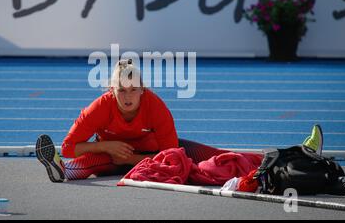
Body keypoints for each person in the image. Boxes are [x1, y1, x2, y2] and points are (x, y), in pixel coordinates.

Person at [36, 58, 261, 182]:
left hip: (152, 154)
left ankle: (265, 161)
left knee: (214, 157)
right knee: (91, 162)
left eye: (133, 90)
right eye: (121, 91)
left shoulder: (155, 105)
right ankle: (62, 171)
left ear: (143, 89)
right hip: (109, 156)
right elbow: (67, 147)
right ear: (111, 90)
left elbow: (172, 156)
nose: (127, 97)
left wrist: (133, 158)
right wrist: (107, 146)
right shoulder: (100, 107)